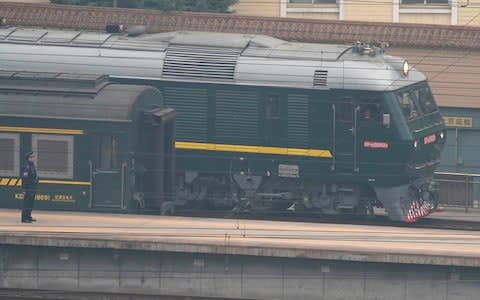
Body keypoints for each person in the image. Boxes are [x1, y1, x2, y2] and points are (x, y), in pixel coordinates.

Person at [21, 151, 38, 223]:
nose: (33, 158)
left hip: (32, 187)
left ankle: (28, 216)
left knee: (31, 202)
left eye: (33, 157)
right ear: (28, 158)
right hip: (28, 187)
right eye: (31, 157)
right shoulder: (26, 166)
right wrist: (24, 189)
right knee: (26, 203)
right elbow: (24, 178)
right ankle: (24, 218)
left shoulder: (32, 165)